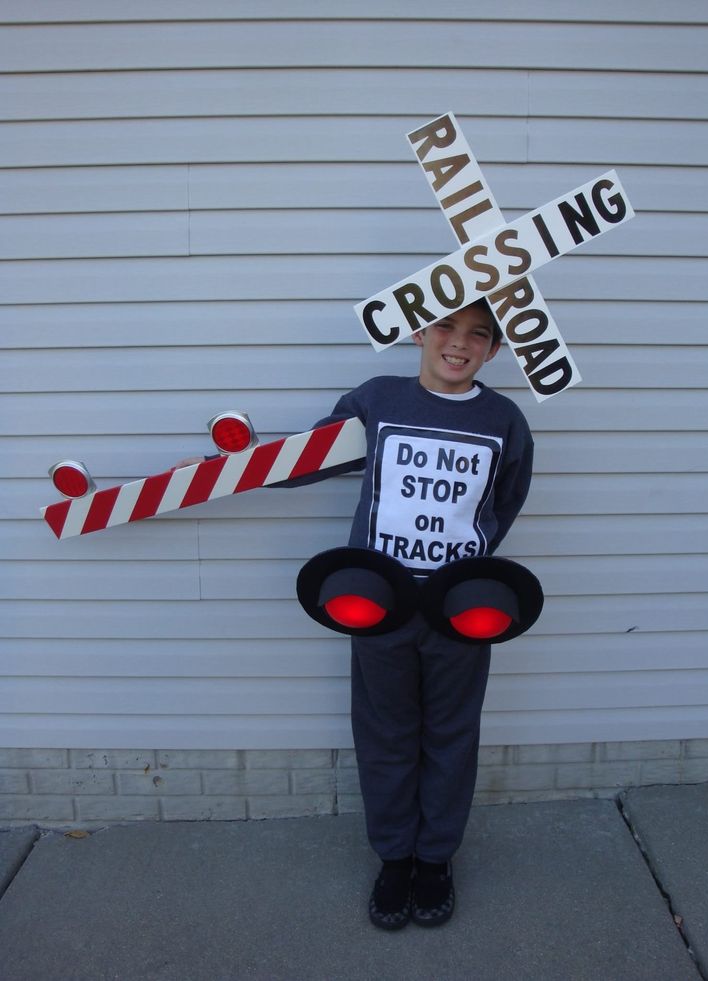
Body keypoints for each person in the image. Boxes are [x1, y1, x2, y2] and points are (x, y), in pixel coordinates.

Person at [177, 298, 533, 930]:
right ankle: (394, 858)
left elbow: (504, 502)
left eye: (478, 335)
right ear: (421, 331)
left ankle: (435, 861)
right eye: (447, 327)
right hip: (381, 605)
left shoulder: (505, 420)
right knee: (385, 735)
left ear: (494, 350)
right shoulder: (378, 399)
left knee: (452, 738)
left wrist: (466, 566)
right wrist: (224, 470)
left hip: (459, 612)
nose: (459, 343)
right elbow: (310, 459)